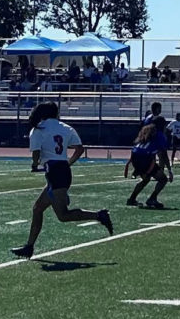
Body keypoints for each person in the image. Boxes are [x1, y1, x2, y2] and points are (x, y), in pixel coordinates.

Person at [10, 102, 114, 259]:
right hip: (62, 170)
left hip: (55, 173)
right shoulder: (65, 127)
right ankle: (29, 246)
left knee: (63, 216)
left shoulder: (38, 129)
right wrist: (68, 163)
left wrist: (34, 164)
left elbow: (36, 153)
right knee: (37, 208)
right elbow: (79, 149)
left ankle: (99, 215)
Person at [125, 117, 173, 209]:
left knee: (146, 179)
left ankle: (131, 199)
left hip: (135, 155)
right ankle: (152, 199)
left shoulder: (146, 130)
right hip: (144, 157)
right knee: (163, 179)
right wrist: (170, 170)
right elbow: (163, 154)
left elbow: (137, 145)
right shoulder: (160, 135)